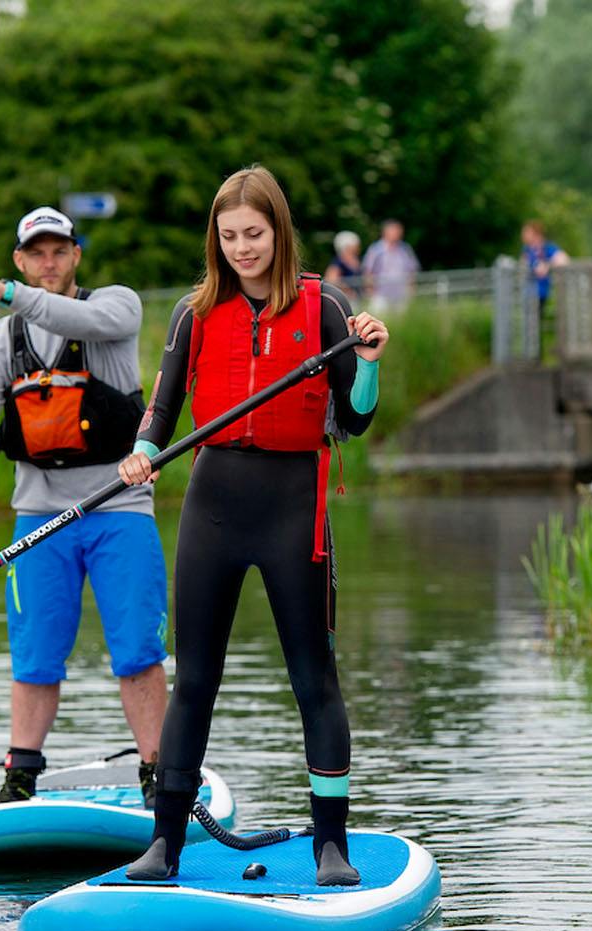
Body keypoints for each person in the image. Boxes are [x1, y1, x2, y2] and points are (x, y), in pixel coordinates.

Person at [116, 165, 389, 886]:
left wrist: (367, 362)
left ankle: (332, 846)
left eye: (254, 234)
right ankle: (164, 845)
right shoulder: (195, 312)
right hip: (213, 504)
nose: (242, 248)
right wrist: (145, 453)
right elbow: (164, 407)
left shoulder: (325, 307)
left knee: (313, 679)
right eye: (229, 235)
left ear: (279, 232)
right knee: (195, 679)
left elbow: (355, 419)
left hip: (294, 506)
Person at [0, 206, 168, 806]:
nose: (49, 263)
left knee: (137, 649)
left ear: (75, 256)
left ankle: (158, 770)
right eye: (36, 253)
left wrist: (8, 293)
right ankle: (22, 775)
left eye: (59, 251)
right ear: (22, 259)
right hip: (40, 517)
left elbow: (64, 313)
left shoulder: (115, 309)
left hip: (119, 508)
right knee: (35, 653)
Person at [360, 218, 420, 313]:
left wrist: (411, 289)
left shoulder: (405, 249)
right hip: (380, 294)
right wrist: (370, 291)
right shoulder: (376, 250)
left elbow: (412, 271)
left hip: (401, 294)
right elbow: (368, 271)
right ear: (385, 232)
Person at [323, 230, 363, 301]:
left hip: (358, 299)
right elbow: (331, 280)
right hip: (345, 298)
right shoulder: (338, 262)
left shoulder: (356, 260)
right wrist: (347, 289)